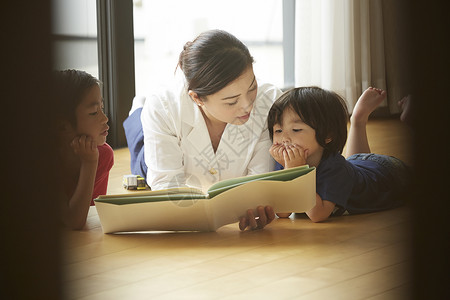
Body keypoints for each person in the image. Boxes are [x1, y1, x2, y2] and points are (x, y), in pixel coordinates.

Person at [123, 29, 283, 230]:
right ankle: (138, 108)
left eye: (252, 88)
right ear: (197, 98)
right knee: (141, 152)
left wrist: (255, 206)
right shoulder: (164, 108)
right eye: (232, 101)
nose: (248, 105)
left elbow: (259, 183)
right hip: (157, 133)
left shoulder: (268, 101)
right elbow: (167, 189)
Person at [267, 86, 410, 222]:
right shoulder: (286, 160)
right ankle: (358, 120)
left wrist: (296, 172)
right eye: (278, 131)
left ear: (328, 135)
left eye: (296, 129)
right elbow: (282, 212)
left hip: (390, 175)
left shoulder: (335, 167)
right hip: (356, 164)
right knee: (352, 165)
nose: (284, 138)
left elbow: (318, 214)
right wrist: (288, 170)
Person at [55, 69, 114, 230]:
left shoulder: (103, 155)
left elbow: (85, 216)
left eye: (102, 108)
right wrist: (89, 162)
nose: (105, 118)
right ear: (63, 126)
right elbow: (72, 220)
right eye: (94, 112)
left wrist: (91, 161)